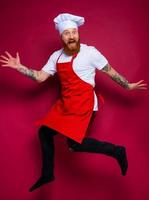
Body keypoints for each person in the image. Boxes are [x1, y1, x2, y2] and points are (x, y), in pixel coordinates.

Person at [0, 13, 147, 192]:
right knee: (45, 133)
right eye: (67, 33)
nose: (71, 36)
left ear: (78, 34)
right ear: (61, 37)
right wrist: (20, 68)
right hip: (65, 103)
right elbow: (40, 77)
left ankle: (117, 151)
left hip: (84, 103)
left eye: (74, 32)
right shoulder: (56, 56)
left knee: (73, 144)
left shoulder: (90, 52)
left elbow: (110, 72)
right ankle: (48, 173)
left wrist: (128, 86)